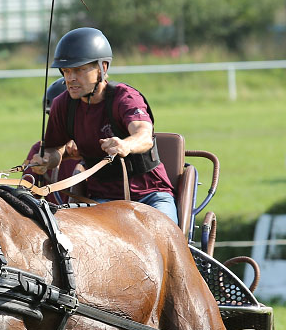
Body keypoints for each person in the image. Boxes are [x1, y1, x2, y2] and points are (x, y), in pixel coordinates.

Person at [28, 27, 178, 224]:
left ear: (103, 68)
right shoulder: (62, 104)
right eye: (66, 71)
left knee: (166, 236)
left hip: (150, 195)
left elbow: (144, 135)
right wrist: (47, 160)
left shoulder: (125, 97)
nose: (70, 78)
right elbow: (54, 149)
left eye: (80, 70)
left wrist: (126, 145)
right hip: (100, 201)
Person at [21, 77, 82, 205]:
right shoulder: (39, 150)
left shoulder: (98, 146)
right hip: (56, 220)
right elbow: (24, 199)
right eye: (53, 116)